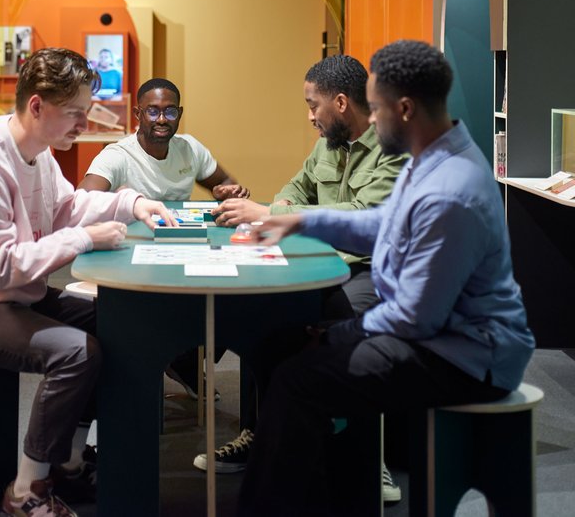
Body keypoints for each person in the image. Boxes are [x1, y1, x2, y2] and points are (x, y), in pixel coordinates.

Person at [236, 40, 535, 516]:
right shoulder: (433, 156)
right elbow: (382, 225)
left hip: (467, 356)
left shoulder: (449, 190)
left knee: (299, 379)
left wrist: (336, 336)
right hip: (440, 335)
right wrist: (302, 220)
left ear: (405, 108)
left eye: (375, 110)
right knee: (279, 348)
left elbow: (415, 317)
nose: (370, 121)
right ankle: (332, 495)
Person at [0, 48, 175, 517]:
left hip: (3, 297)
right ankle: (26, 491)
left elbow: (67, 207)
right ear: (37, 105)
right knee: (76, 351)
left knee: (121, 321)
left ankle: (67, 459)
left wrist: (132, 204)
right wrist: (84, 240)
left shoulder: (37, 153)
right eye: (75, 114)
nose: (84, 124)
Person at [196, 55, 406, 503]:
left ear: (342, 102)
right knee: (266, 316)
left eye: (314, 105)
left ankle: (369, 454)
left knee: (344, 320)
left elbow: (366, 219)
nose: (310, 116)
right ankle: (263, 433)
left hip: (373, 270)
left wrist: (272, 213)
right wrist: (278, 207)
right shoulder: (327, 143)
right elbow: (296, 189)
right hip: (322, 263)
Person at [79, 77, 250, 202]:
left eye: (170, 112)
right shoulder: (118, 155)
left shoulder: (189, 148)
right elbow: (81, 202)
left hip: (179, 238)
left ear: (179, 114)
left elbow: (225, 182)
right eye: (152, 112)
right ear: (138, 114)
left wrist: (225, 193)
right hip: (133, 241)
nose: (162, 119)